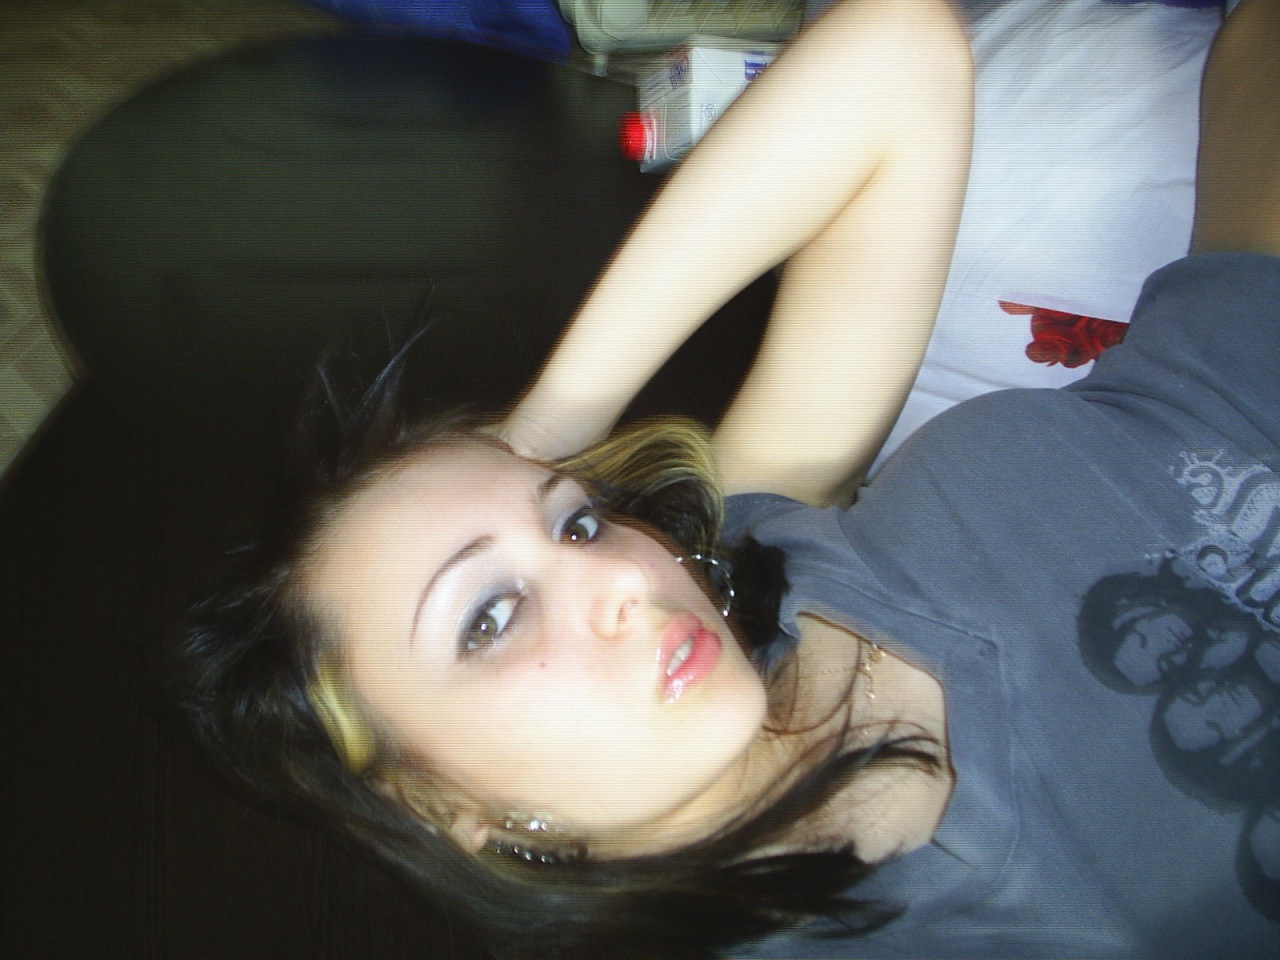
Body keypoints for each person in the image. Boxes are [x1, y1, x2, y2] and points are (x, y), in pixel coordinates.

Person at [173, 0, 1280, 957]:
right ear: (443, 808)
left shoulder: (769, 558)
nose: (625, 578)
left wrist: (540, 432)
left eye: (575, 527)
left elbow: (897, 51)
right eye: (489, 618)